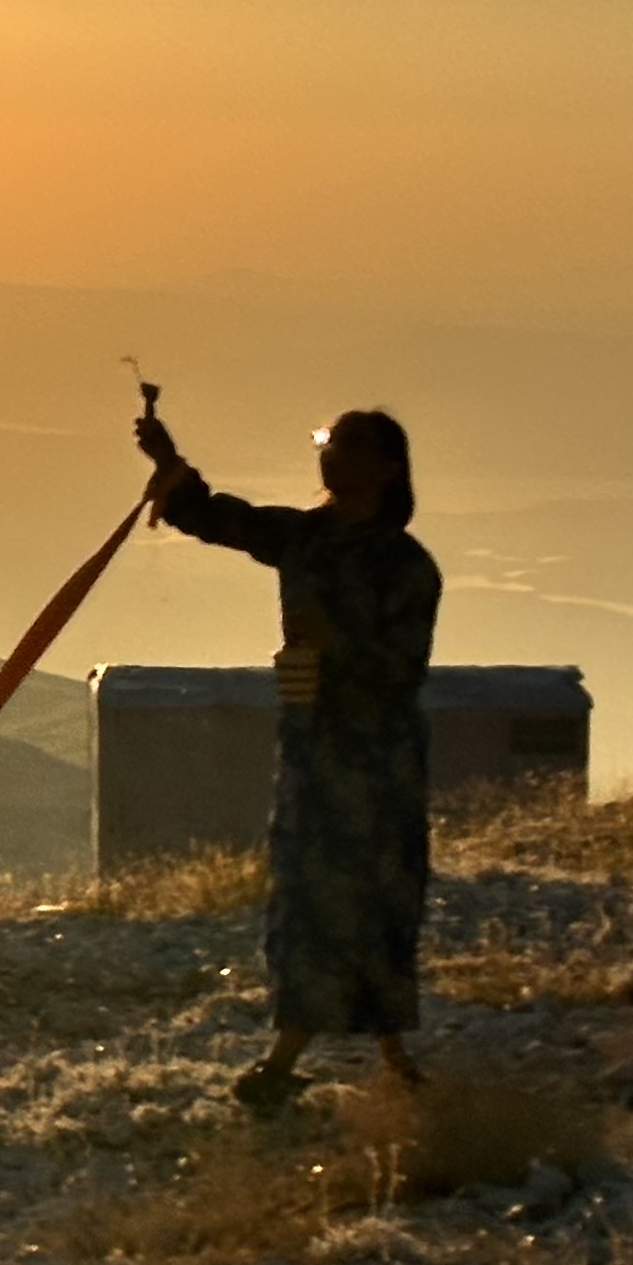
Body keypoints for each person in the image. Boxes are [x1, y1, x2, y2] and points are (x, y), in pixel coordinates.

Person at [133, 406, 443, 1109]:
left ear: (387, 466)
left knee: (376, 897)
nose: (330, 457)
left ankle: (344, 1055)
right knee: (309, 897)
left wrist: (336, 645)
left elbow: (402, 673)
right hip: (315, 747)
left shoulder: (404, 566)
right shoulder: (306, 537)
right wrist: (166, 458)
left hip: (376, 757)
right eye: (327, 443)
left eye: (345, 447)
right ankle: (353, 1054)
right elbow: (213, 516)